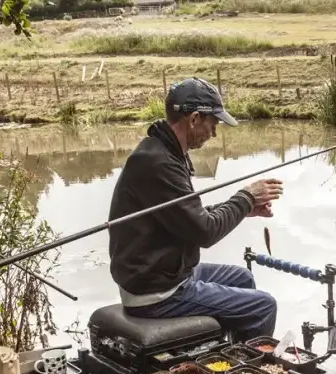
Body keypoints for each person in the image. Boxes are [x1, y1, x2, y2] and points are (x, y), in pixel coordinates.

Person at [107, 77, 284, 341]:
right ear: (194, 119)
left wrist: (243, 209)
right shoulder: (160, 163)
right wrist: (247, 196)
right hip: (155, 292)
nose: (214, 134)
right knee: (263, 306)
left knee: (242, 278)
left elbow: (187, 216)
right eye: (213, 124)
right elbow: (205, 232)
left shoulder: (162, 151)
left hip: (164, 273)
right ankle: (247, 363)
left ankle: (226, 352)